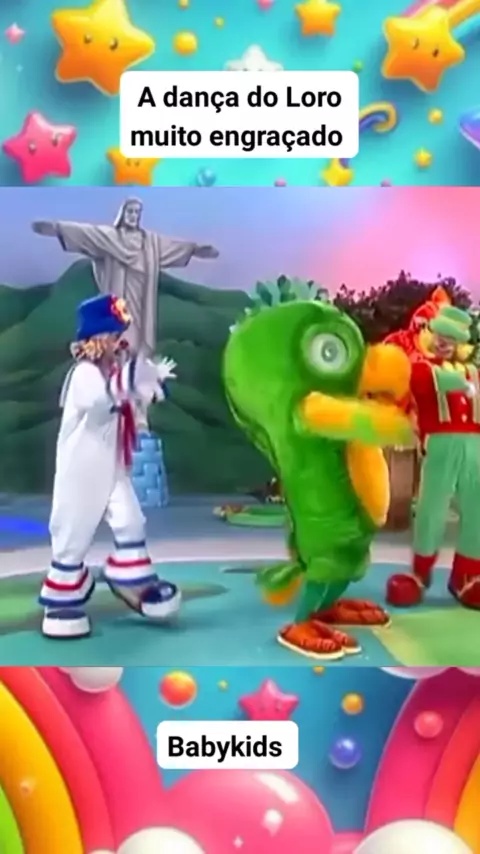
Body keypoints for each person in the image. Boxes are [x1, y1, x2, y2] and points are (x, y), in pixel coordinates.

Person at [40, 293, 181, 639]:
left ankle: (130, 578)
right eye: (116, 334)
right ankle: (63, 596)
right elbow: (101, 402)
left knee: (131, 521)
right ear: (98, 338)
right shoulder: (83, 375)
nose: (121, 341)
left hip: (111, 467)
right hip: (80, 474)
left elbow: (125, 398)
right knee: (72, 534)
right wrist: (131, 381)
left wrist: (149, 387)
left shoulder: (111, 373)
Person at [31, 198, 219, 428]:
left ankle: (138, 413)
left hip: (141, 308)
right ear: (122, 213)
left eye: (137, 212)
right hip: (117, 309)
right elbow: (85, 234)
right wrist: (56, 229)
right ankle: (114, 407)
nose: (133, 216)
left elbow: (173, 247)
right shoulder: (110, 238)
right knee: (116, 352)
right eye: (130, 211)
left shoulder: (149, 243)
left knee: (138, 352)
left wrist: (196, 249)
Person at [386, 305, 480, 610]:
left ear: (461, 343)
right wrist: (464, 384)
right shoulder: (422, 368)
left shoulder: (473, 371)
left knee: (477, 511)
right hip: (440, 446)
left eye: (451, 338)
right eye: (440, 336)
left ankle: (467, 577)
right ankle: (419, 574)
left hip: (474, 448)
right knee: (432, 510)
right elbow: (428, 382)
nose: (444, 343)